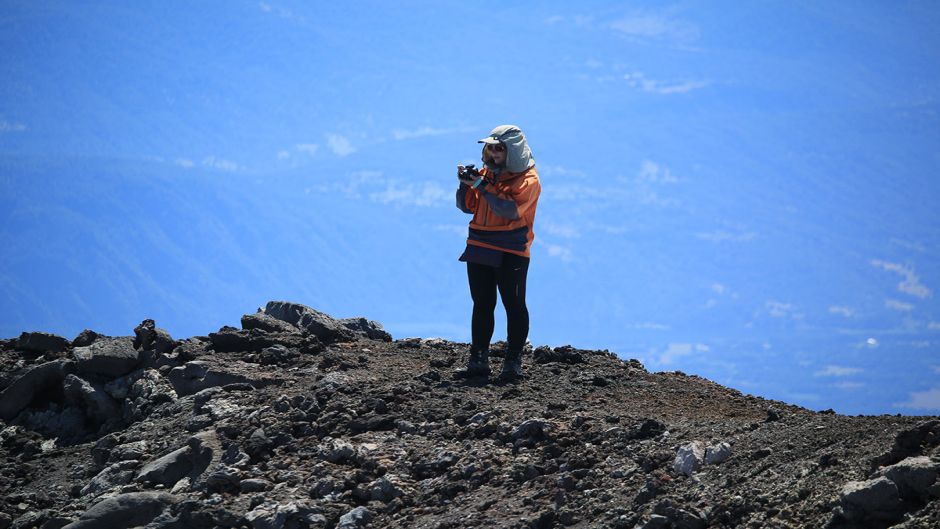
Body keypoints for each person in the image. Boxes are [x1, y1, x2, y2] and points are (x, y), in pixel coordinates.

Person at [454, 125, 541, 381]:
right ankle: (478, 361)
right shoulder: (486, 175)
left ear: (512, 151)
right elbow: (466, 207)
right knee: (482, 304)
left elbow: (510, 211)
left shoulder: (528, 180)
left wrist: (480, 185)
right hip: (480, 245)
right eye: (490, 148)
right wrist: (464, 185)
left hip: (511, 250)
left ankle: (513, 363)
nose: (493, 153)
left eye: (499, 148)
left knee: (513, 305)